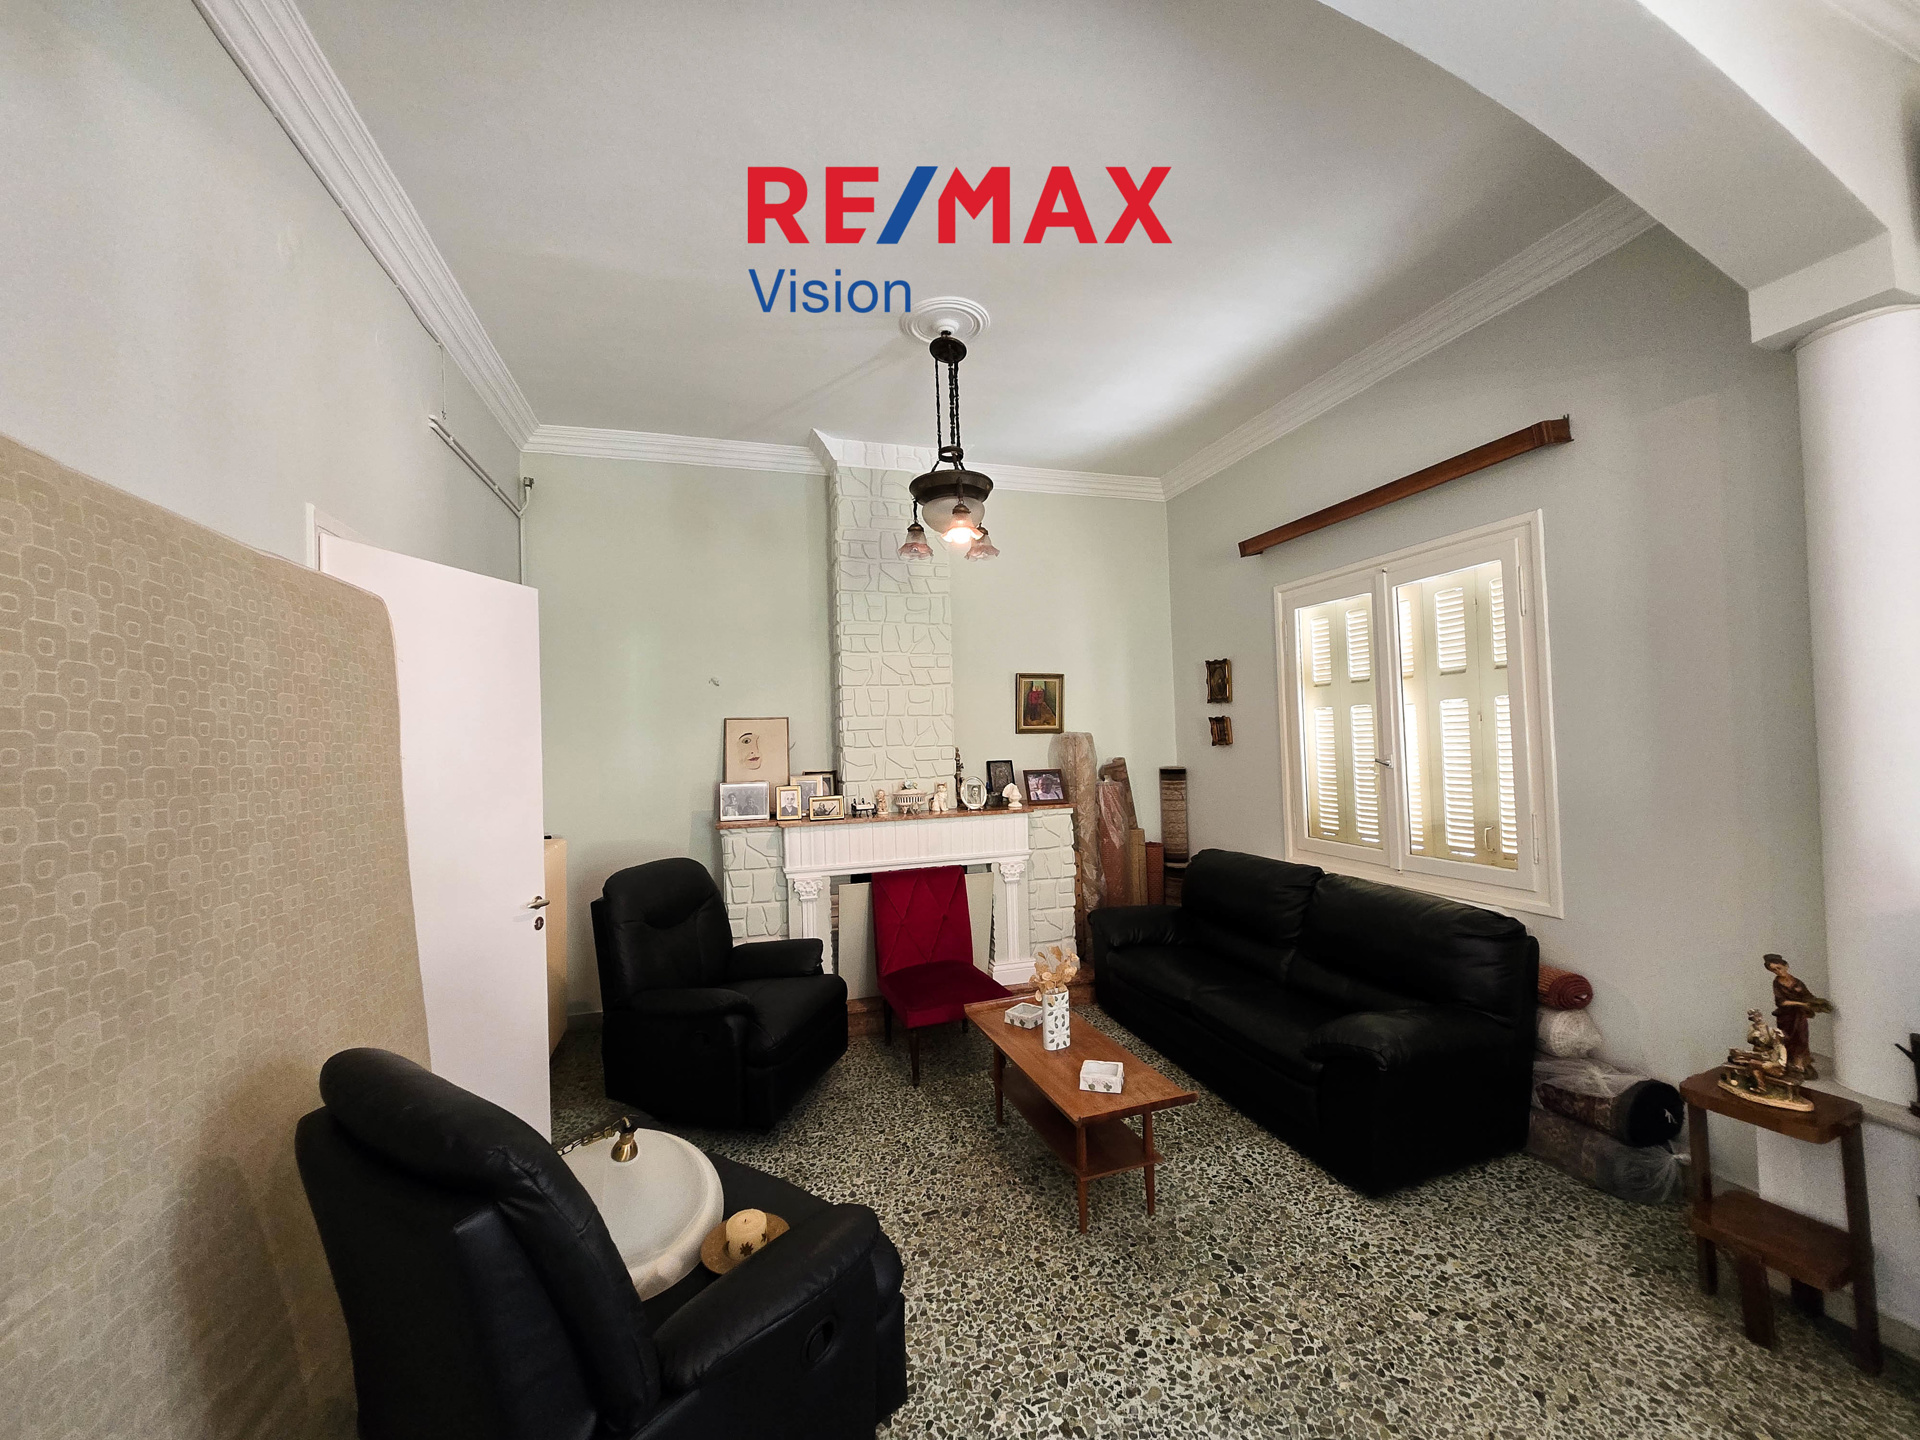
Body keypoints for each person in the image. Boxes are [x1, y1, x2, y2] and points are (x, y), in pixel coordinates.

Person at [1764, 954, 1831, 1079]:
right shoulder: (1777, 983)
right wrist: (1801, 1004)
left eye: (1779, 968)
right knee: (1788, 1039)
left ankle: (1800, 1063)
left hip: (1799, 1016)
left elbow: (1807, 996)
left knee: (1801, 1038)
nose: (1777, 971)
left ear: (1786, 966)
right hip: (1786, 1017)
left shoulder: (1797, 982)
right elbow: (1781, 1002)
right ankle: (1789, 1063)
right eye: (1774, 970)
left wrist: (1816, 1003)